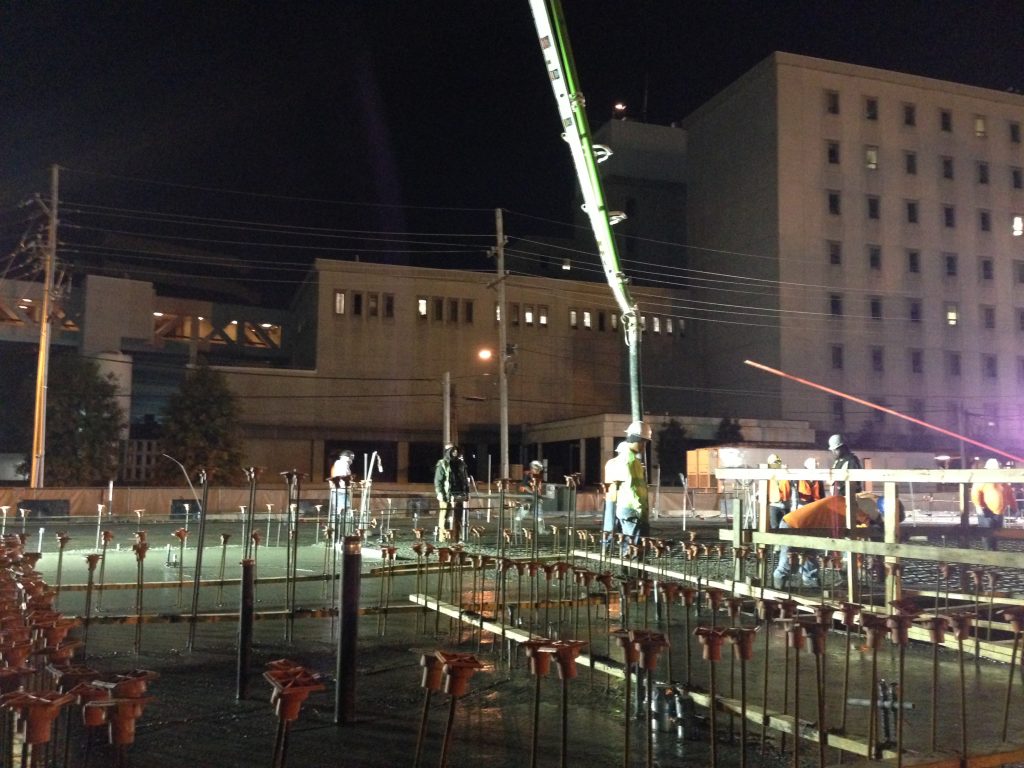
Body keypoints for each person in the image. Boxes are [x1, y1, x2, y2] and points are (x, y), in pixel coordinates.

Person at [772, 492, 881, 589]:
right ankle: (778, 586)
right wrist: (855, 564)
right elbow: (851, 538)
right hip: (793, 525)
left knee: (810, 556)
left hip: (808, 528)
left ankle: (811, 584)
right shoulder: (845, 507)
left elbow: (852, 535)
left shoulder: (842, 504)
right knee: (788, 561)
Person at [613, 421, 652, 550]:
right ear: (637, 439)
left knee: (627, 546)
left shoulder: (622, 459)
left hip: (625, 509)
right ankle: (635, 570)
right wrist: (640, 509)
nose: (644, 446)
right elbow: (633, 487)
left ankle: (626, 569)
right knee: (635, 548)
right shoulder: (631, 461)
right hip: (633, 510)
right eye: (643, 442)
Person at [971, 458, 1013, 551]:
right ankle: (987, 553)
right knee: (986, 533)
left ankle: (994, 551)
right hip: (986, 511)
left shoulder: (1002, 481)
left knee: (996, 532)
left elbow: (1009, 493)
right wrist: (978, 506)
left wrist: (1014, 507)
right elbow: (975, 492)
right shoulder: (982, 479)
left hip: (999, 512)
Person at [434, 443, 470, 542]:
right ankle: (443, 537)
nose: (455, 452)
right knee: (444, 515)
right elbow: (438, 480)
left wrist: (466, 492)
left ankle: (456, 537)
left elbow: (464, 479)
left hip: (459, 494)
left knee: (458, 516)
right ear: (448, 451)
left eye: (456, 450)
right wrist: (440, 492)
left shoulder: (461, 464)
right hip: (446, 494)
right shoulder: (442, 463)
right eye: (453, 450)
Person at [602, 448, 627, 552]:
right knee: (623, 525)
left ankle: (606, 548)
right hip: (622, 496)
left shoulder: (610, 462)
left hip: (610, 496)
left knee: (609, 524)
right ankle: (624, 550)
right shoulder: (625, 463)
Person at [766, 453, 791, 528]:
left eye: (777, 462)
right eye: (773, 462)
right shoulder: (767, 473)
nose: (775, 464)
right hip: (774, 504)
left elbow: (791, 486)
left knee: (786, 526)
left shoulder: (785, 471)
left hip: (785, 503)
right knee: (774, 526)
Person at [329, 450, 355, 520]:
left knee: (338, 511)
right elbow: (343, 477)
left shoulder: (338, 464)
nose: (351, 460)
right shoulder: (342, 464)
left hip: (339, 491)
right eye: (351, 458)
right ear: (347, 458)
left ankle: (335, 528)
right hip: (341, 491)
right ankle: (341, 528)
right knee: (345, 512)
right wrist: (350, 483)